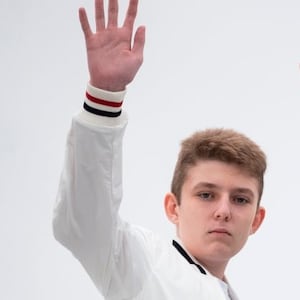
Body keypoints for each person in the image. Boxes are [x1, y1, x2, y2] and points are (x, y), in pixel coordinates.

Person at [53, 0, 266, 299]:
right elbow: (85, 221)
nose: (223, 211)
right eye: (206, 194)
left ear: (257, 219)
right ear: (173, 207)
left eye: (241, 199)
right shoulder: (142, 262)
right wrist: (104, 96)